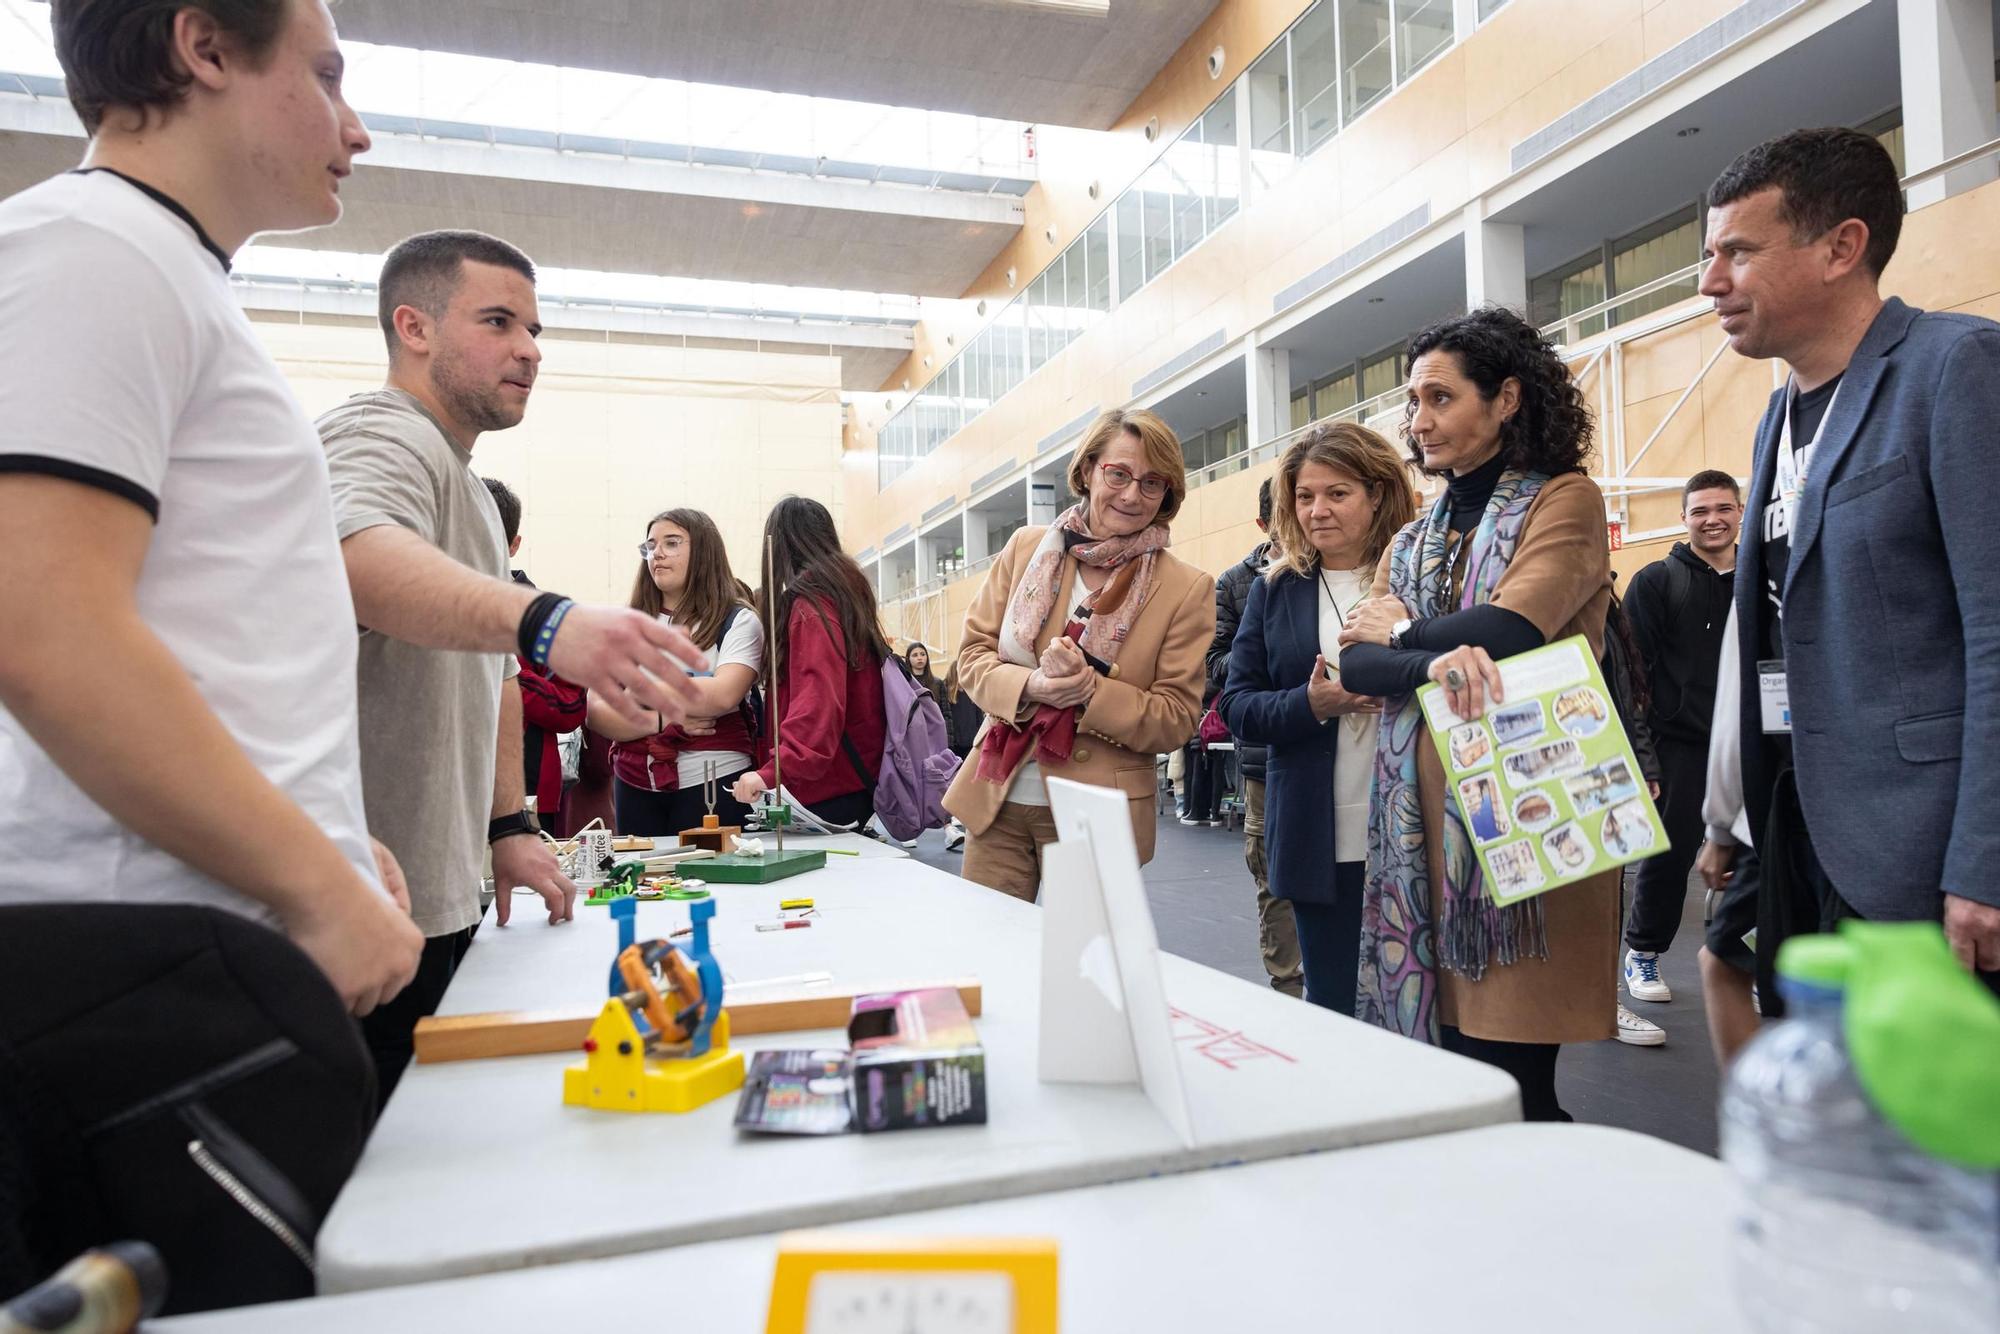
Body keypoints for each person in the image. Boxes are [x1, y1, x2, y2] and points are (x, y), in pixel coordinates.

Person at [0, 0, 420, 1308]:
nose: (355, 126)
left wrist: (330, 833)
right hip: (154, 981)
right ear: (203, 44)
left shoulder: (158, 271)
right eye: (328, 75)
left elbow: (197, 624)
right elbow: (45, 626)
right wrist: (314, 879)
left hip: (215, 944)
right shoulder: (88, 249)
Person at [320, 229, 701, 1101]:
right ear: (412, 327)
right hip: (358, 908)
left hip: (439, 893)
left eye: (535, 330)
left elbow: (492, 679)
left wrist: (508, 828)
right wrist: (546, 621)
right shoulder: (380, 433)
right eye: (499, 322)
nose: (529, 350)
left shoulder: (472, 494)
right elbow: (350, 558)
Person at [1701, 126, 2000, 1001]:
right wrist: (1737, 817)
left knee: (1950, 1124)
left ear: (1842, 248)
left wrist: (1986, 860)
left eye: (1738, 253)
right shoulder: (1774, 417)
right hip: (1803, 835)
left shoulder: (1956, 368)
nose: (1710, 281)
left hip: (1927, 854)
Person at [1339, 306, 1615, 1123]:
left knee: (1518, 1081)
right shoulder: (1414, 534)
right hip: (1418, 839)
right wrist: (1428, 657)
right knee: (1452, 1075)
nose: (1416, 421)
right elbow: (1356, 664)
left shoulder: (1565, 501)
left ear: (1506, 399)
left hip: (1526, 819)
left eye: (1438, 398)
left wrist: (1400, 635)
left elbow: (1512, 629)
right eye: (1412, 401)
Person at [943, 409, 1215, 902]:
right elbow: (974, 656)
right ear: (1089, 470)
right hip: (997, 798)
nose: (1132, 494)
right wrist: (1032, 687)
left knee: (1083, 973)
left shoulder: (1186, 587)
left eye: (1152, 483)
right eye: (1119, 474)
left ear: (1167, 495)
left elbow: (1176, 718)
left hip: (1097, 814)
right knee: (991, 961)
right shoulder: (1027, 548)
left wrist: (1089, 691)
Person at [1219, 426, 1413, 1013]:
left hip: (1416, 825)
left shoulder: (1419, 577)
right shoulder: (1275, 591)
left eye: (1337, 493)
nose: (1317, 510)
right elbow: (1235, 705)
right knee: (1331, 1002)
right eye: (1305, 496)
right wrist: (1313, 705)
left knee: (1422, 1003)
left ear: (1377, 494)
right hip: (1316, 830)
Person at [1617, 470, 1742, 1008]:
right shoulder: (1656, 581)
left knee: (1759, 858)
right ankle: (1643, 951)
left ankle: (1742, 959)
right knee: (1669, 856)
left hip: (1749, 745)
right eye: (1700, 511)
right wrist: (1643, 757)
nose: (1712, 519)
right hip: (1681, 743)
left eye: (1723, 508)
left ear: (1740, 511)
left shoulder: (1763, 575)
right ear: (1685, 518)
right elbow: (1632, 673)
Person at [591, 509, 762, 837]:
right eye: (650, 545)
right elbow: (596, 713)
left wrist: (636, 690)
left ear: (704, 551)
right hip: (633, 782)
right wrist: (660, 721)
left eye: (671, 543)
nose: (657, 554)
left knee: (717, 882)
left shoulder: (738, 620)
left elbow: (724, 694)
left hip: (714, 780)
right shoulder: (623, 624)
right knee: (644, 884)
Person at [728, 497, 889, 829]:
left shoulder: (811, 608)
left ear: (780, 545)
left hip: (827, 786)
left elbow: (818, 703)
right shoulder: (844, 598)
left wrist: (773, 772)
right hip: (852, 777)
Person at [1207, 479, 1302, 998]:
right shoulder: (1239, 583)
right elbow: (1214, 665)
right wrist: (1266, 663)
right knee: (1272, 876)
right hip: (1263, 755)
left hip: (1330, 746)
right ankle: (1287, 987)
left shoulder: (1334, 570)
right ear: (1265, 526)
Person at [483, 477, 586, 830]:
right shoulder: (430, 608)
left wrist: (503, 673)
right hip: (450, 785)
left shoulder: (549, 618)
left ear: (514, 545)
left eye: (489, 535)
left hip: (530, 793)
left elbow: (572, 708)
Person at [940, 654, 985, 852]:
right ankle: (954, 810)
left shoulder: (971, 694)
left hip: (969, 742)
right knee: (953, 779)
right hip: (955, 742)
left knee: (968, 779)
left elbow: (978, 719)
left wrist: (977, 740)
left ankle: (965, 811)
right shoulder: (949, 694)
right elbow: (947, 718)